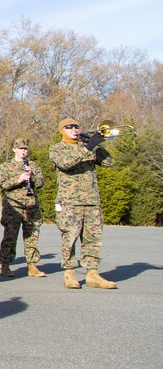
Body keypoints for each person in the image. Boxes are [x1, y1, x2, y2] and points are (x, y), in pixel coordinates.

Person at [49, 118, 117, 289]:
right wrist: (87, 148)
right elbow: (65, 163)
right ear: (62, 130)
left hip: (92, 201)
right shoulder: (57, 149)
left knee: (93, 239)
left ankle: (92, 273)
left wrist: (96, 145)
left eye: (76, 126)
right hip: (69, 202)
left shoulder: (87, 147)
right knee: (69, 237)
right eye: (69, 127)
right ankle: (69, 273)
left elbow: (109, 162)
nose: (74, 129)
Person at [0, 138, 45, 278]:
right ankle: (5, 265)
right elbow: (2, 184)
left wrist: (32, 177)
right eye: (20, 149)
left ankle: (32, 265)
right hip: (13, 206)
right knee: (10, 236)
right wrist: (18, 179)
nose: (23, 151)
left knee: (32, 236)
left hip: (31, 206)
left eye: (25, 149)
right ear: (14, 149)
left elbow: (41, 183)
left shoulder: (33, 165)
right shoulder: (6, 166)